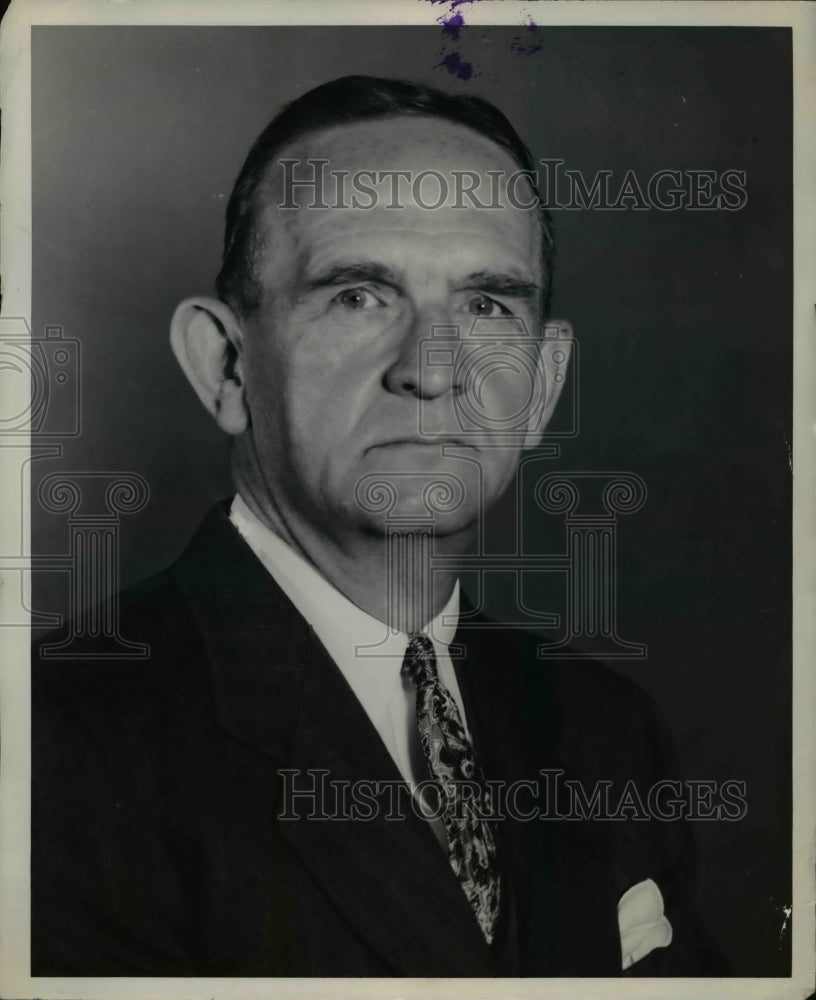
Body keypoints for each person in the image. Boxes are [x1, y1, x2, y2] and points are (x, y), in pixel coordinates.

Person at [32, 75, 720, 977]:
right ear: (227, 366)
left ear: (544, 386)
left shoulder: (607, 731)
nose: (431, 373)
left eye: (486, 306)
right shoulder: (54, 742)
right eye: (358, 296)